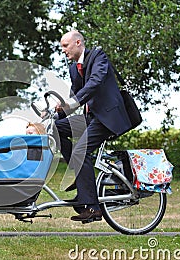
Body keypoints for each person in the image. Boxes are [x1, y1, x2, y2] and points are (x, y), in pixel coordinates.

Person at [55, 30, 132, 223]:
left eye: (65, 46)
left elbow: (94, 84)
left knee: (81, 151)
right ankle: (81, 174)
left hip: (107, 118)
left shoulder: (98, 56)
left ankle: (93, 208)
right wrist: (56, 112)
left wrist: (71, 104)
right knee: (56, 127)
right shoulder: (74, 69)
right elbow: (76, 93)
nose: (62, 50)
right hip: (91, 118)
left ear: (78, 42)